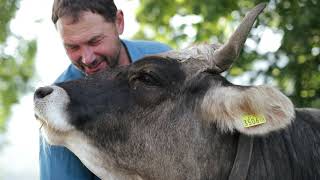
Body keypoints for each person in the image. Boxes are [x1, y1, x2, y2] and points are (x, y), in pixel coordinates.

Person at [39, 0, 171, 179]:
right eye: (72, 47)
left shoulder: (164, 60)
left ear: (119, 22)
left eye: (95, 41)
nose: (87, 58)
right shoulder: (57, 107)